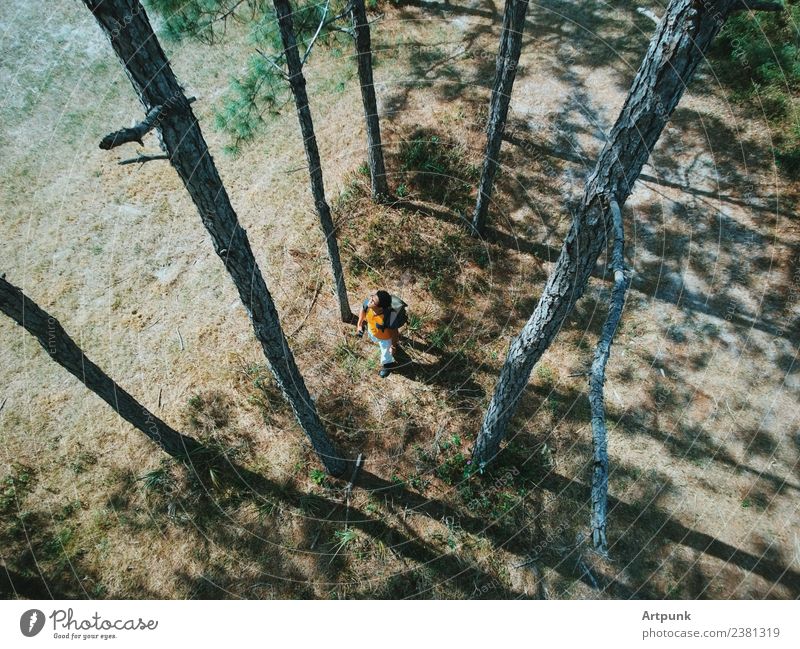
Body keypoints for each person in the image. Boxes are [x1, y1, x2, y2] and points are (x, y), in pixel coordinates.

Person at [357, 290, 400, 378]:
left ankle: (387, 365)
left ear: (380, 308)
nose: (370, 300)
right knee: (374, 337)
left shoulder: (390, 316)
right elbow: (363, 307)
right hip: (372, 331)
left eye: (373, 301)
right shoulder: (368, 304)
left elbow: (395, 333)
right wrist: (359, 324)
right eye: (372, 297)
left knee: (386, 353)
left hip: (385, 338)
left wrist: (393, 346)